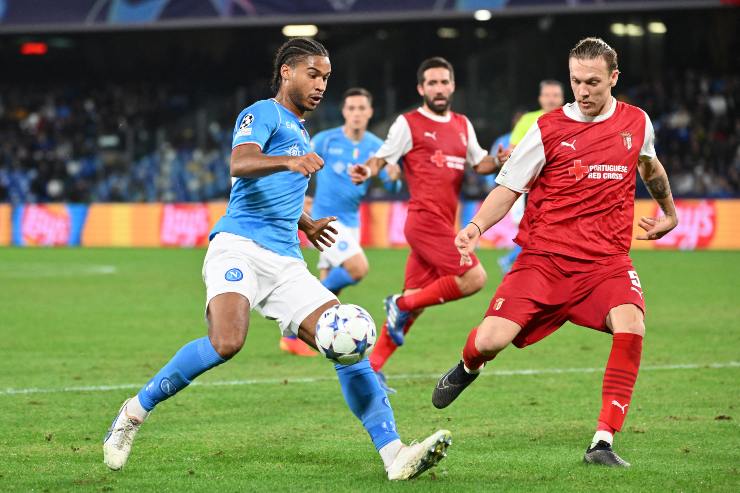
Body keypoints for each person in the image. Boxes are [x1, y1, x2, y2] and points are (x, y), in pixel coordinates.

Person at [102, 38, 451, 481]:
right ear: (287, 71)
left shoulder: (301, 131)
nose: (321, 84)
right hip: (238, 247)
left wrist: (304, 223)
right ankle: (133, 413)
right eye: (314, 73)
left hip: (286, 261)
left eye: (326, 77)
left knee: (345, 344)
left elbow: (278, 190)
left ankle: (394, 454)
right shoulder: (262, 113)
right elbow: (241, 163)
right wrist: (290, 162)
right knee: (226, 343)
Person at [431, 37, 679, 467]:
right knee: (490, 341)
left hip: (605, 263)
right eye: (575, 81)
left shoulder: (637, 122)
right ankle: (468, 366)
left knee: (632, 325)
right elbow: (508, 188)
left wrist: (669, 213)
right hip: (543, 261)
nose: (582, 91)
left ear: (614, 79)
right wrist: (474, 227)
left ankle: (602, 442)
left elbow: (649, 165)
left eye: (593, 83)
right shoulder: (547, 129)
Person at [350, 57, 506, 393]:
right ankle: (399, 304)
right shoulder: (409, 123)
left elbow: (481, 164)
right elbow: (383, 156)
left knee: (416, 302)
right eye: (431, 83)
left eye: (444, 82)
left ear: (452, 86)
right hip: (423, 222)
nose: (438, 88)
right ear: (421, 88)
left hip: (440, 225)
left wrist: (499, 161)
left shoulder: (463, 125)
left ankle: (371, 370)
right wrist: (368, 169)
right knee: (474, 277)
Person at [279, 87, 401, 356]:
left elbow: (392, 185)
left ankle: (303, 340)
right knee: (357, 268)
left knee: (328, 295)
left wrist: (393, 178)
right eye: (351, 108)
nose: (356, 113)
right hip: (326, 222)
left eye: (361, 108)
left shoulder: (375, 147)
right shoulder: (325, 140)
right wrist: (302, 200)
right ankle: (292, 324)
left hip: (351, 223)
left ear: (369, 112)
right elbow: (299, 168)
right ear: (344, 111)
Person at [497, 81, 564, 274]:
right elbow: (513, 150)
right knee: (535, 229)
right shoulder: (528, 120)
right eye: (547, 95)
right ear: (540, 98)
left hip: (562, 187)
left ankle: (518, 264)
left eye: (555, 95)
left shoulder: (572, 119)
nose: (551, 99)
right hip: (532, 186)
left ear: (561, 98)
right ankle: (517, 264)